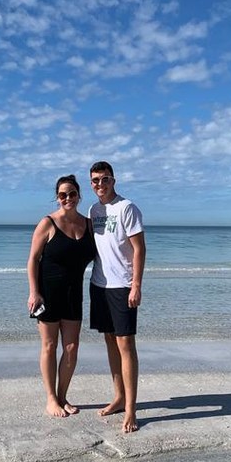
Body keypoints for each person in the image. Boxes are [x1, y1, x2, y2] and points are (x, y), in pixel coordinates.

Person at [27, 174, 96, 418]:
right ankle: (50, 399)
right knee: (49, 345)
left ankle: (63, 396)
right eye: (62, 195)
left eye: (72, 194)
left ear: (79, 195)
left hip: (73, 294)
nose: (67, 198)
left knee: (71, 347)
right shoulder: (47, 223)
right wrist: (34, 292)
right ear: (57, 198)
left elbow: (109, 249)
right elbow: (33, 260)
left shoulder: (89, 225)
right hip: (47, 294)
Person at [88, 161, 146, 433]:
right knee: (110, 343)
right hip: (99, 284)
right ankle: (119, 397)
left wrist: (136, 285)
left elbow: (139, 249)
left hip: (122, 286)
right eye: (96, 180)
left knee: (126, 346)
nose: (100, 184)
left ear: (114, 180)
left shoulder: (127, 207)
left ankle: (131, 410)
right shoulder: (94, 210)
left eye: (105, 179)